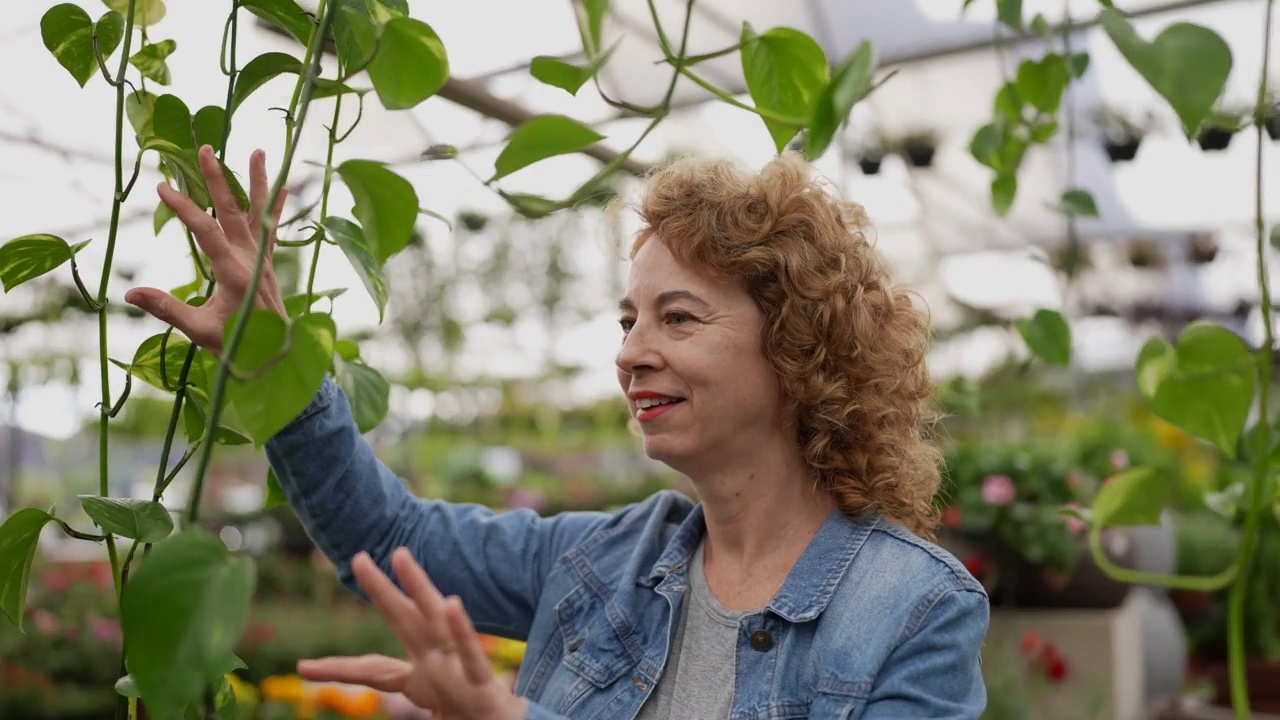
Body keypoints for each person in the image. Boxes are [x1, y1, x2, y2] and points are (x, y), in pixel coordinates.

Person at [126, 145, 989, 720]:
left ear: (798, 349)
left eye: (678, 318)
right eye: (628, 321)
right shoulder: (601, 562)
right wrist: (272, 356)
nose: (632, 354)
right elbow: (386, 533)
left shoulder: (916, 611)